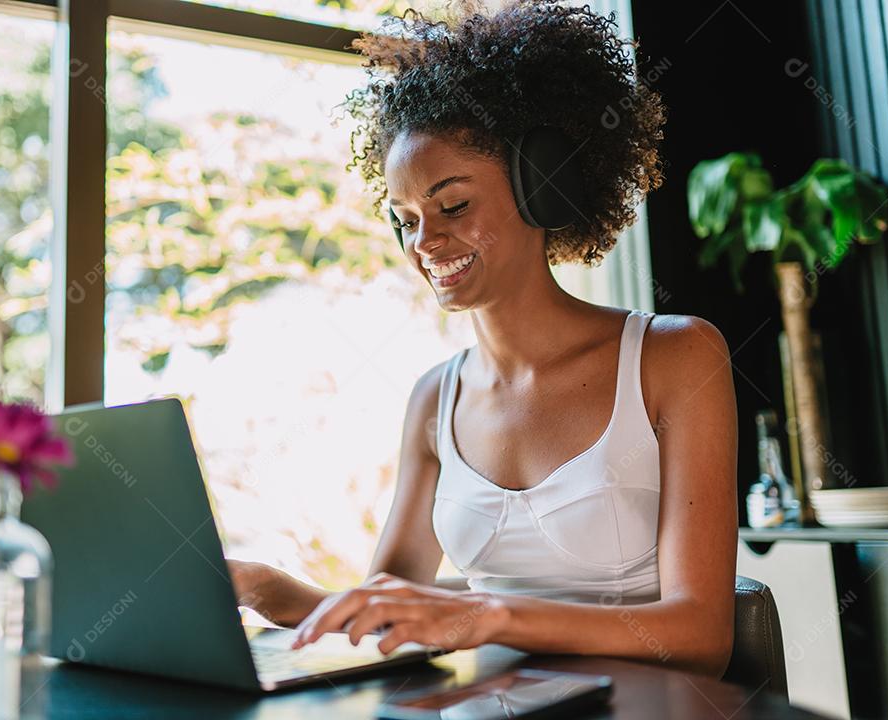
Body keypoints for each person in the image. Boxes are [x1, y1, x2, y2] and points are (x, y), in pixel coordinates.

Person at [230, 0, 738, 679]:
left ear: (544, 187)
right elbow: (388, 611)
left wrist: (488, 615)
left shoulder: (675, 357)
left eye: (453, 206)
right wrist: (270, 590)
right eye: (405, 219)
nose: (425, 243)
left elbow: (702, 631)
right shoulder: (434, 400)